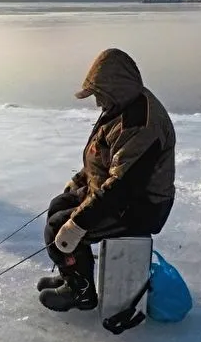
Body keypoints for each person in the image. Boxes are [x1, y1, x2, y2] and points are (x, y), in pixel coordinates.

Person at [38, 48, 176, 312]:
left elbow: (122, 187)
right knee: (58, 205)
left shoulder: (141, 124)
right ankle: (74, 276)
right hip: (114, 192)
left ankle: (81, 293)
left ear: (115, 89)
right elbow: (101, 158)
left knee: (61, 227)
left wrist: (77, 224)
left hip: (141, 206)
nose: (98, 102)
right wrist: (79, 182)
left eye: (100, 94)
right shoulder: (122, 105)